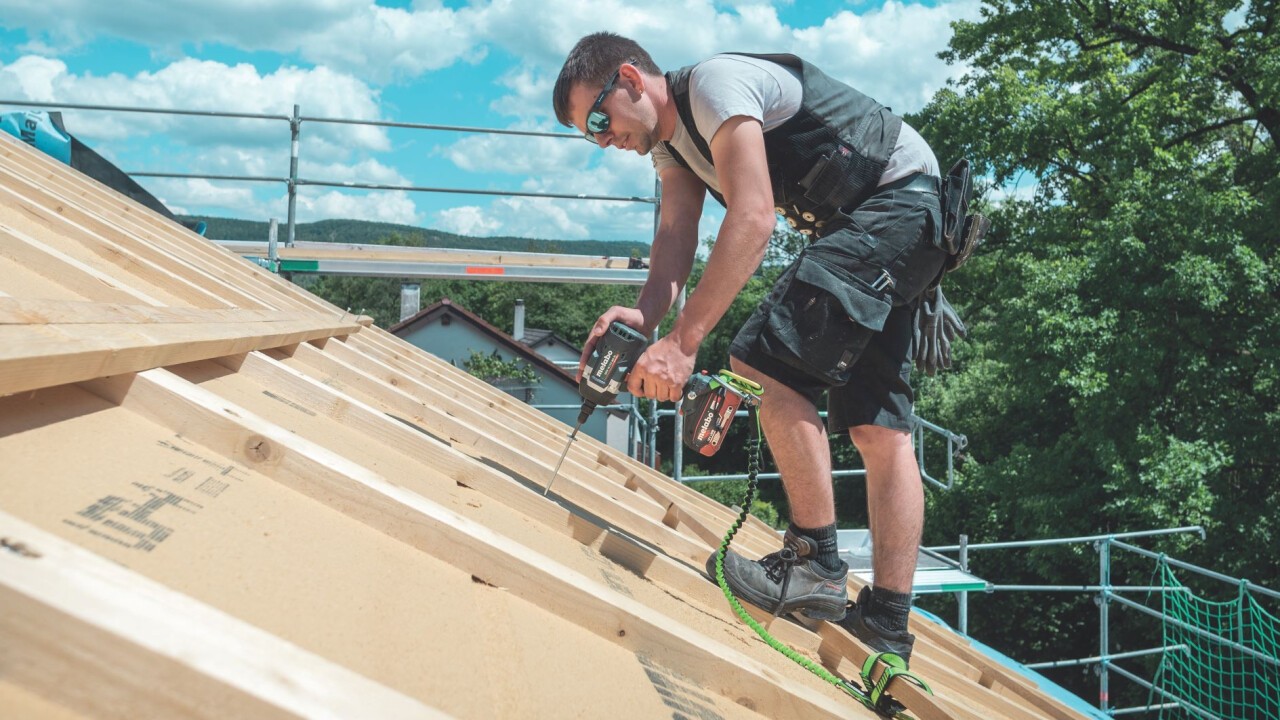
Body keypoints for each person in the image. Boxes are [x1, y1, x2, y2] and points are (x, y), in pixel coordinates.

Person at [554, 32, 948, 664]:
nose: (602, 139)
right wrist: (647, 316)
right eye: (588, 135)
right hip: (900, 216)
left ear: (630, 78)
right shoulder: (669, 146)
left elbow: (754, 216)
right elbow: (678, 234)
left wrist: (684, 345)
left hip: (895, 203)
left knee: (760, 359)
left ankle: (814, 564)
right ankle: (886, 621)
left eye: (599, 119)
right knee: (879, 426)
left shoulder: (713, 87)